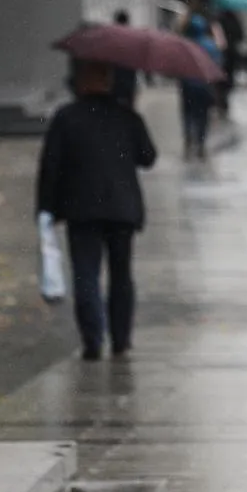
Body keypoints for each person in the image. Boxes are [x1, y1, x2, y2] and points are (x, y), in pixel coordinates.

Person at [37, 58, 158, 361]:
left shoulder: (66, 118)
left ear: (81, 82)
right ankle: (121, 339)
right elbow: (148, 156)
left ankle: (93, 339)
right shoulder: (126, 116)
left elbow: (50, 167)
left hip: (82, 210)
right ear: (108, 81)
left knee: (86, 274)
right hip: (122, 209)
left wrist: (46, 209)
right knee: (121, 275)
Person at [179, 16, 222, 160]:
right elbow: (217, 65)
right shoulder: (210, 45)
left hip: (188, 86)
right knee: (203, 115)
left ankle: (189, 138)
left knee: (188, 113)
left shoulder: (185, 45)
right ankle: (201, 142)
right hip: (205, 86)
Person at [108, 9, 139, 106]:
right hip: (129, 79)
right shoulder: (132, 37)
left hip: (114, 79)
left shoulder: (110, 37)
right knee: (128, 107)